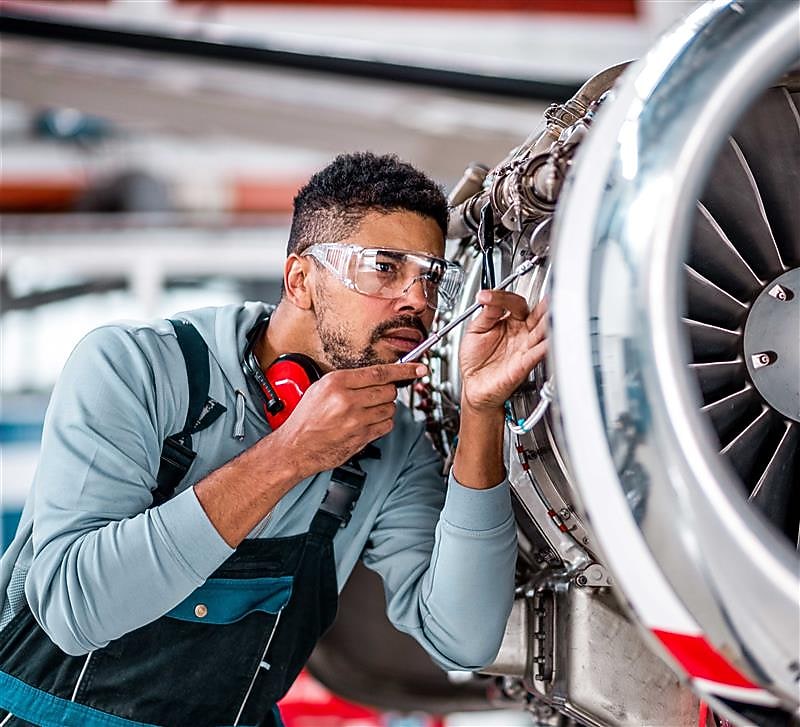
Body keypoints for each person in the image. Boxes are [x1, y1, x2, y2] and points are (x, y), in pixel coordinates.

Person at [0, 152, 548, 727]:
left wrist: (483, 413)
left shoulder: (391, 443)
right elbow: (74, 608)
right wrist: (289, 456)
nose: (418, 299)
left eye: (430, 276)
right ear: (300, 280)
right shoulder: (132, 367)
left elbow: (462, 638)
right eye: (385, 267)